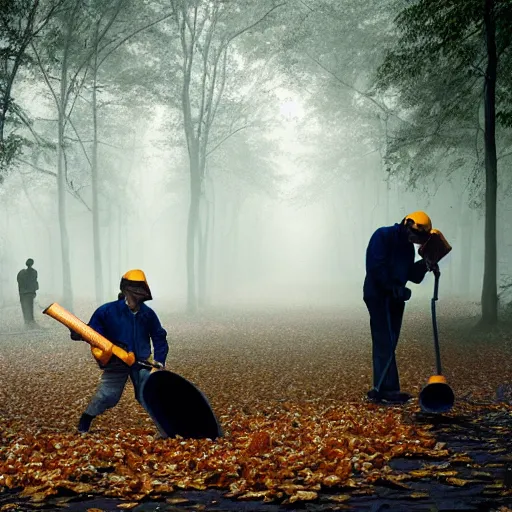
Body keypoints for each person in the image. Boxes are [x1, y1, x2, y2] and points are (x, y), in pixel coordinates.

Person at [71, 269, 169, 433]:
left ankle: (166, 429)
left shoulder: (148, 314)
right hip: (116, 360)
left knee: (149, 394)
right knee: (108, 395)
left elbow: (159, 336)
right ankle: (85, 421)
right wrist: (81, 333)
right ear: (124, 289)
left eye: (139, 289)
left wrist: (159, 360)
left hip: (142, 362)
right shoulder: (107, 311)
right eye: (133, 288)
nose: (136, 293)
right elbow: (94, 332)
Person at [363, 211, 439, 404]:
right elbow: (375, 268)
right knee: (384, 339)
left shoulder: (407, 247)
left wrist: (426, 263)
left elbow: (412, 275)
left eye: (420, 239)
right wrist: (393, 288)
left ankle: (385, 387)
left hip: (396, 297)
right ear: (408, 225)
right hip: (378, 295)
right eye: (416, 236)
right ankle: (385, 389)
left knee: (391, 340)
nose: (416, 241)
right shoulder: (383, 236)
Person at [17, 258, 39, 328]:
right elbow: (34, 283)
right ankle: (31, 322)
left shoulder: (21, 273)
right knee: (30, 307)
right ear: (32, 264)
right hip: (30, 293)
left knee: (25, 307)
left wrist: (21, 292)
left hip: (23, 294)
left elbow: (19, 283)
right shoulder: (34, 272)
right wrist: (34, 291)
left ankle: (27, 322)